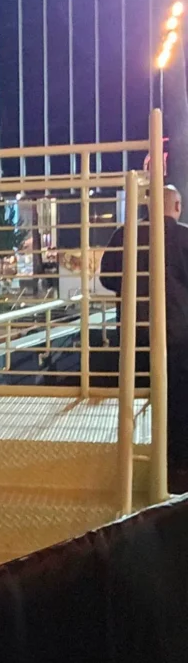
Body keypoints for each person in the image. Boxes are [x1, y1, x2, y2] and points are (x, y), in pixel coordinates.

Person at [100, 184, 188, 492]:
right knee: (178, 403)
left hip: (134, 335)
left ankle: (131, 462)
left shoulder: (124, 235)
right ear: (176, 207)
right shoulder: (184, 238)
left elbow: (107, 277)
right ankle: (175, 469)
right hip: (178, 337)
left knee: (133, 398)